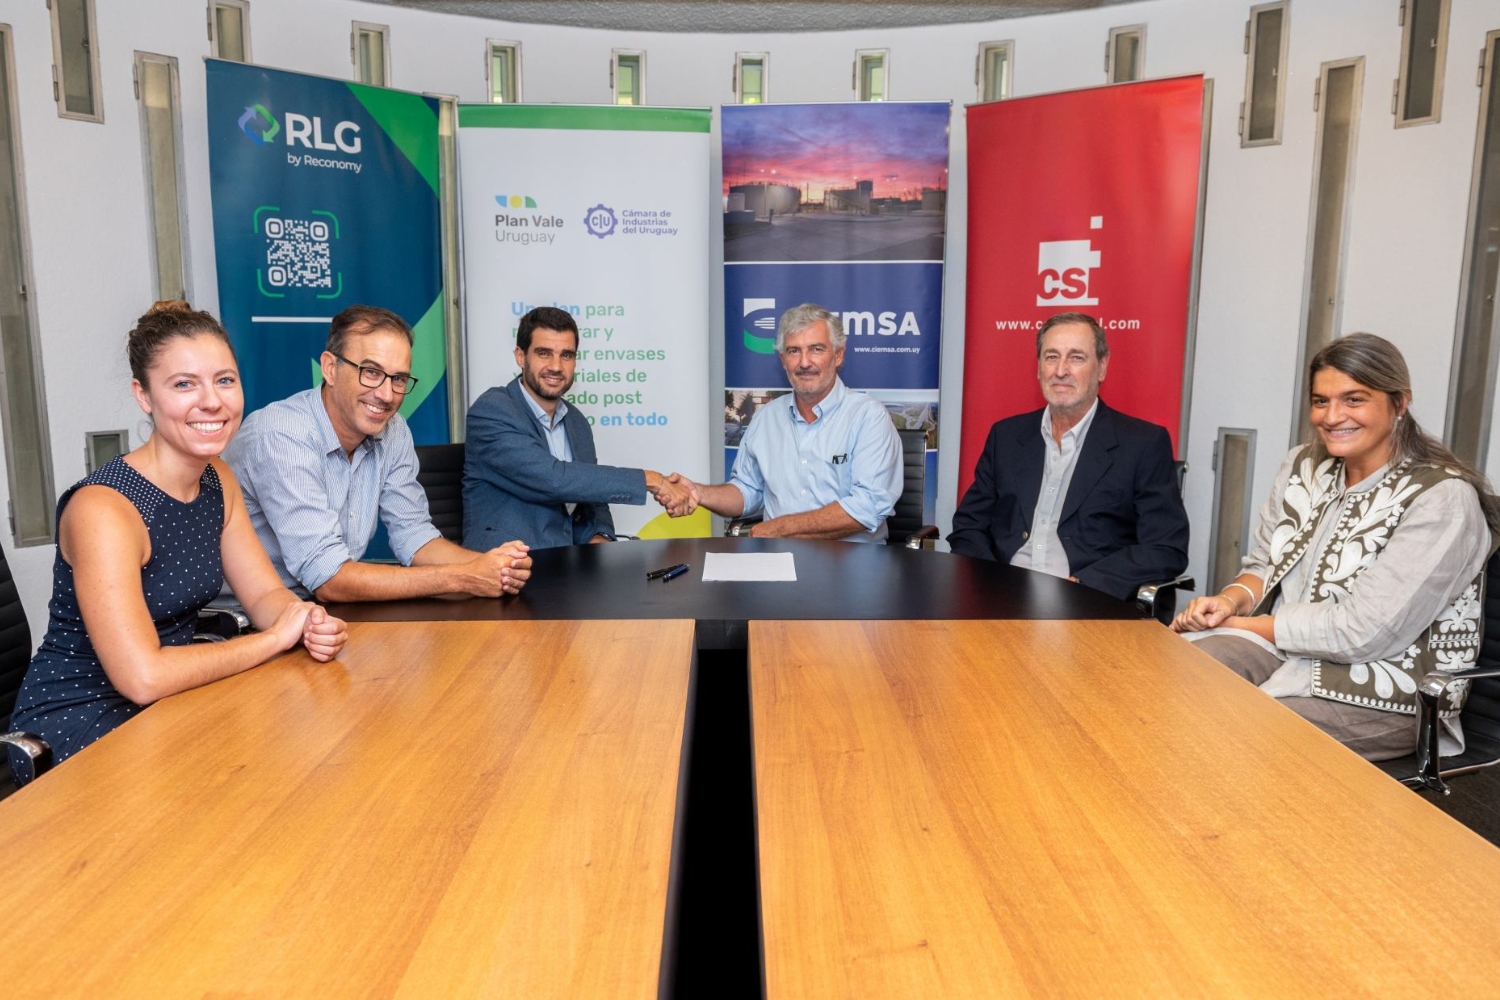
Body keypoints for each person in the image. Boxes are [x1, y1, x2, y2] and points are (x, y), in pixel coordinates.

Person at [7, 302, 348, 778]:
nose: (212, 402)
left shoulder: (218, 478)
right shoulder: (103, 510)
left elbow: (265, 594)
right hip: (84, 721)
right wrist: (273, 639)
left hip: (176, 699)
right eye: (184, 384)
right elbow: (143, 677)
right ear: (143, 396)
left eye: (224, 380)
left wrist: (303, 619)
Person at [1172, 333, 1500, 761]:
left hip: (1388, 687)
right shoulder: (1303, 465)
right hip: (1288, 649)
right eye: (1321, 400)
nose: (1332, 416)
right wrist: (1229, 601)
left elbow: (1362, 632)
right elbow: (1266, 564)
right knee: (1173, 679)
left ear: (1399, 403)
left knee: (1237, 736)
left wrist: (1242, 625)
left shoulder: (1441, 499)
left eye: (1354, 399)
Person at [225, 305, 532, 602]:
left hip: (324, 613)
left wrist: (493, 568)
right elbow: (328, 579)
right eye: (371, 372)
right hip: (245, 621)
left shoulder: (393, 429)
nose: (386, 395)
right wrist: (463, 577)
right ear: (330, 368)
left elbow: (415, 537)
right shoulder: (282, 433)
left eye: (398, 379)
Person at [947, 312, 1189, 600]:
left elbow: (1165, 548)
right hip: (1000, 600)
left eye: (1076, 358)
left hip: (1087, 607)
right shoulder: (1007, 436)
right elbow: (969, 526)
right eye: (1051, 357)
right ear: (1038, 368)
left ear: (1102, 367)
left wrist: (1081, 586)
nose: (1061, 370)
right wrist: (993, 583)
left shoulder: (1143, 444)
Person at [665, 303, 902, 541]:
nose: (804, 362)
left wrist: (780, 528)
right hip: (778, 562)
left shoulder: (868, 417)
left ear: (838, 354)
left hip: (852, 565)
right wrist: (699, 492)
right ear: (782, 359)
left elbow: (868, 506)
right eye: (793, 351)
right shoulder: (766, 418)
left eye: (816, 349)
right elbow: (748, 491)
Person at [463, 306, 691, 549]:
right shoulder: (492, 410)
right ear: (521, 356)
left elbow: (592, 496)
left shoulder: (576, 421)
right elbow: (552, 479)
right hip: (504, 570)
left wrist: (600, 537)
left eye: (567, 355)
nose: (556, 366)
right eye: (543, 353)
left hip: (568, 569)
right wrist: (651, 479)